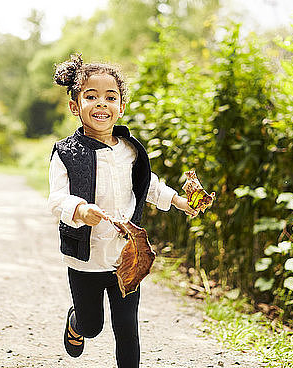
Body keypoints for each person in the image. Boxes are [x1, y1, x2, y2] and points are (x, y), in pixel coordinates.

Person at [48, 53, 198, 368]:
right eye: (91, 96)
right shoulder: (65, 153)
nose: (101, 104)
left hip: (126, 255)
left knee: (127, 328)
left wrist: (179, 202)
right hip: (85, 257)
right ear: (76, 106)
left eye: (110, 97)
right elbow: (57, 199)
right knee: (93, 326)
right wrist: (79, 209)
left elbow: (149, 185)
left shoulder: (130, 151)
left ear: (121, 106)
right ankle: (77, 321)